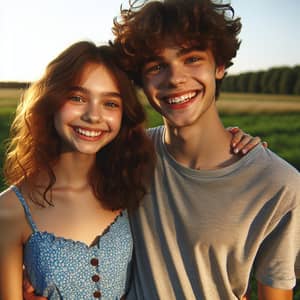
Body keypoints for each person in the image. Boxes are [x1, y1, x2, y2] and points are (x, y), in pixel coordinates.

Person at [111, 0, 300, 299]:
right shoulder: (125, 155)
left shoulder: (278, 184)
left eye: (192, 59)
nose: (175, 78)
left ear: (220, 66)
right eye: (157, 66)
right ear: (141, 81)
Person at [0, 41, 156, 299]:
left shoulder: (133, 183)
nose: (93, 116)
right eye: (77, 98)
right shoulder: (9, 210)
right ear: (51, 101)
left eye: (110, 103)